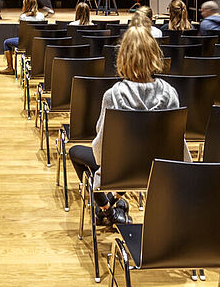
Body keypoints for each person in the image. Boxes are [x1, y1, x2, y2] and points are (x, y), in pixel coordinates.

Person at [67, 24, 182, 226]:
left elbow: (100, 152)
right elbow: (176, 143)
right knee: (135, 158)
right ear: (155, 55)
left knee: (76, 152)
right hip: (160, 172)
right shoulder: (171, 93)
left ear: (123, 57)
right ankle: (113, 203)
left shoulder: (113, 95)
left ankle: (107, 210)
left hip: (120, 171)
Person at [0, 0, 46, 76]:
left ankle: (10, 68)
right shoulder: (41, 16)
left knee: (6, 42)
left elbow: (22, 33)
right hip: (39, 43)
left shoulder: (23, 17)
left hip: (25, 43)